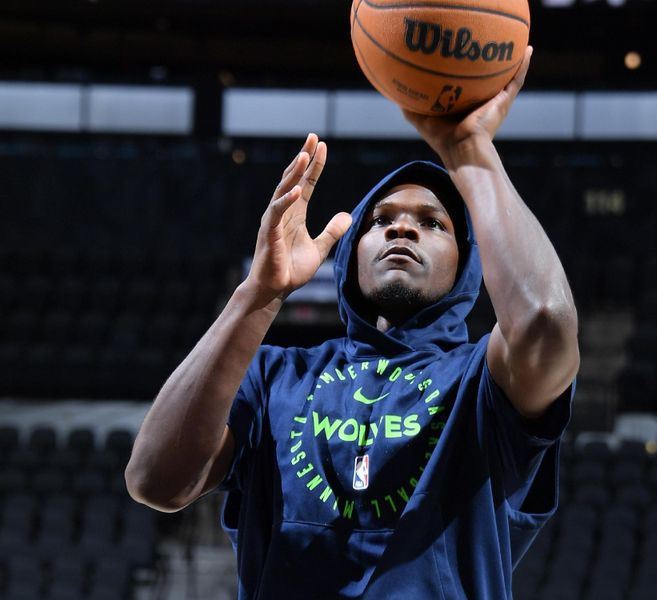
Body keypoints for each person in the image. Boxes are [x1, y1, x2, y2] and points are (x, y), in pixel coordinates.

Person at [126, 46, 579, 599]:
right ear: (349, 254)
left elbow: (548, 326)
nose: (402, 230)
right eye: (382, 220)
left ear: (468, 263)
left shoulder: (482, 381)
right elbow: (155, 479)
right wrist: (259, 296)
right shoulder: (274, 376)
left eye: (432, 223)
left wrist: (469, 153)